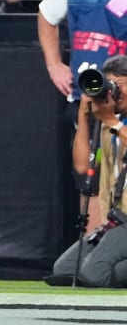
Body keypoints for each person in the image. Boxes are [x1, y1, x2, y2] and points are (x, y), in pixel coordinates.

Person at [51, 53, 127, 287]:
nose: (115, 93)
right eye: (111, 85)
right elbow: (83, 165)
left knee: (94, 274)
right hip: (117, 221)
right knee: (64, 270)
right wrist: (85, 117)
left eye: (120, 86)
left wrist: (112, 123)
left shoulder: (113, 125)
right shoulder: (109, 125)